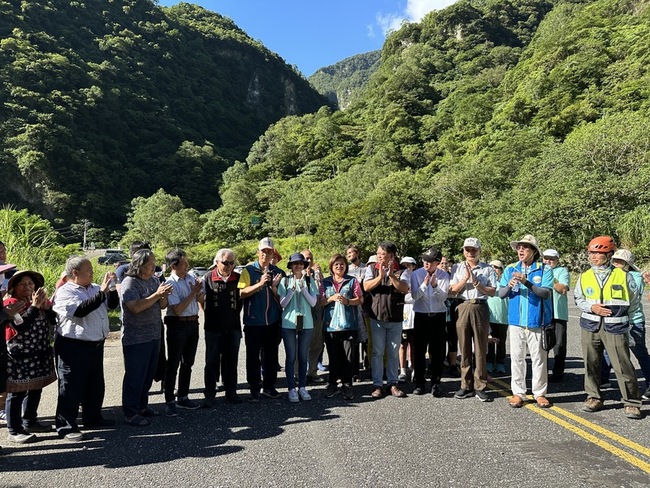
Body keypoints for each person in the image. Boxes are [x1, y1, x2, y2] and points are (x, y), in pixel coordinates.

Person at [574, 236, 642, 419]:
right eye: (591, 253)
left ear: (609, 254)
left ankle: (632, 402)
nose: (593, 257)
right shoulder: (585, 276)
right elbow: (578, 299)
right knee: (591, 363)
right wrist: (592, 307)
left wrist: (633, 325)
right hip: (590, 326)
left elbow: (634, 302)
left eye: (598, 253)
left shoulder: (624, 276)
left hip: (616, 327)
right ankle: (594, 397)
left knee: (623, 365)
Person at [52, 257, 119, 441]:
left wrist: (111, 289)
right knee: (70, 386)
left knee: (95, 384)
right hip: (73, 345)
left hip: (95, 343)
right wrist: (102, 293)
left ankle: (93, 418)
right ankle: (65, 425)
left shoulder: (96, 288)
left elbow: (111, 305)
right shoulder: (65, 291)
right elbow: (80, 311)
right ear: (75, 273)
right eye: (88, 270)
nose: (92, 272)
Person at [2, 270, 57, 443]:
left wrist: (46, 308)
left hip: (38, 352)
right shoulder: (12, 303)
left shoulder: (39, 301)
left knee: (36, 388)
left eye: (31, 284)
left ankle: (30, 421)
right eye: (23, 284)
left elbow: (53, 320)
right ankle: (14, 429)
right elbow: (22, 325)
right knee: (17, 392)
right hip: (19, 356)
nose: (28, 287)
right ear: (14, 288)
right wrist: (34, 306)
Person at [499, 235, 553, 408]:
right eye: (519, 247)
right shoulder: (510, 269)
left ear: (534, 251)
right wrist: (509, 285)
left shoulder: (544, 269)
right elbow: (501, 294)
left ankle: (539, 393)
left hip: (537, 321)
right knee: (517, 358)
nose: (520, 250)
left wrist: (526, 282)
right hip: (515, 321)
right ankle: (518, 392)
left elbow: (545, 293)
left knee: (539, 359)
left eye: (525, 247)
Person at [120, 249, 173, 426]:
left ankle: (142, 406)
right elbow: (135, 307)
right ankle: (130, 412)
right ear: (140, 265)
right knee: (135, 376)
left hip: (154, 334)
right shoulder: (130, 283)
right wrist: (157, 295)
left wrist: (163, 296)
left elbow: (163, 305)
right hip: (136, 337)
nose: (154, 266)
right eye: (151, 263)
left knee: (148, 374)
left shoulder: (154, 280)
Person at [238, 237, 285, 402]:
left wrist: (274, 288)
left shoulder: (279, 272)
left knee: (271, 356)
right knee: (253, 357)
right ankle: (254, 389)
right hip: (253, 321)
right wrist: (259, 284)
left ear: (273, 253)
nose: (266, 254)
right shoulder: (248, 271)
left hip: (273, 321)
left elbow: (284, 298)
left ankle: (269, 387)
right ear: (258, 252)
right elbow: (241, 293)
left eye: (269, 251)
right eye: (263, 251)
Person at [449, 238, 496, 402]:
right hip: (463, 306)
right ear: (463, 251)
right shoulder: (457, 267)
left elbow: (492, 291)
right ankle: (466, 385)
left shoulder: (487, 268)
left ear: (479, 251)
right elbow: (453, 290)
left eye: (474, 250)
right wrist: (465, 279)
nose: (470, 253)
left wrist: (476, 282)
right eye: (467, 250)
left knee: (481, 348)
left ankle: (481, 385)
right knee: (464, 348)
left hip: (480, 306)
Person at [601, 249, 650, 400]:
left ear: (628, 264)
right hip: (615, 320)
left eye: (620, 262)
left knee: (639, 351)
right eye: (614, 260)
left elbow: (629, 299)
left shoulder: (635, 277)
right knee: (609, 350)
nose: (616, 264)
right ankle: (602, 379)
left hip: (632, 320)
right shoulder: (610, 274)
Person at [363, 241, 409, 399]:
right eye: (378, 254)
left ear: (391, 256)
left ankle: (392, 383)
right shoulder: (371, 268)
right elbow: (366, 286)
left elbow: (404, 288)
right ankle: (377, 384)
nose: (379, 257)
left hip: (395, 318)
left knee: (393, 352)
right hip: (377, 317)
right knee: (377, 352)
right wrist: (381, 276)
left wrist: (390, 275)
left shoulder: (402, 271)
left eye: (382, 254)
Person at [162, 249, 204, 416]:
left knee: (188, 362)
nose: (187, 265)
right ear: (174, 265)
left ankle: (183, 396)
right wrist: (193, 293)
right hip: (177, 325)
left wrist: (199, 292)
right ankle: (169, 400)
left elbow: (201, 300)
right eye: (184, 263)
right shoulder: (170, 283)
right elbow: (177, 310)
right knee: (173, 363)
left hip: (193, 323)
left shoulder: (191, 278)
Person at [202, 248, 243, 406]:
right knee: (211, 361)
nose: (229, 266)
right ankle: (210, 393)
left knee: (231, 361)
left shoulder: (238, 278)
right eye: (225, 263)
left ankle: (231, 392)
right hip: (213, 327)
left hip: (233, 326)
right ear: (217, 262)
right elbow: (201, 300)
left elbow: (241, 301)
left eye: (232, 263)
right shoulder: (207, 278)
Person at [278, 253, 319, 402]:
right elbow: (282, 303)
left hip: (306, 322)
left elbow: (314, 303)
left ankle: (302, 387)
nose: (298, 266)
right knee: (291, 357)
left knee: (303, 356)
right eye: (295, 263)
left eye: (301, 263)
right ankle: (291, 388)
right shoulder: (285, 280)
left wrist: (304, 290)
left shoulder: (309, 280)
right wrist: (292, 290)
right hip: (288, 322)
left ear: (304, 266)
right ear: (290, 265)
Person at [321, 254, 364, 400]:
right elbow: (320, 302)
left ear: (345, 266)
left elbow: (360, 299)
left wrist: (347, 301)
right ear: (331, 267)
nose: (339, 267)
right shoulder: (325, 282)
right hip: (330, 325)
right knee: (333, 356)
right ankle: (332, 383)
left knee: (348, 356)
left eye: (342, 264)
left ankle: (347, 384)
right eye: (336, 265)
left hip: (348, 325)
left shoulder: (352, 281)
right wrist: (330, 299)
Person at [409, 247, 449, 396]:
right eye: (424, 260)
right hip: (421, 315)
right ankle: (419, 382)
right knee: (419, 351)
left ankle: (436, 383)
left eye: (430, 261)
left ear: (437, 262)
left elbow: (443, 298)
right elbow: (415, 296)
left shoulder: (444, 275)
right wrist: (425, 285)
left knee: (437, 351)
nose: (426, 263)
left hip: (438, 315)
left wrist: (435, 286)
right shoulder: (416, 274)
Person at [542, 249, 571, 383]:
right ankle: (542, 372)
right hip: (543, 312)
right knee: (544, 344)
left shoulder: (562, 271)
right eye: (545, 258)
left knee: (559, 345)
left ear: (557, 260)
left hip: (558, 313)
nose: (548, 261)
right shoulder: (538, 270)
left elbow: (563, 288)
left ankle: (558, 373)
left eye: (551, 259)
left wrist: (549, 281)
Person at [486, 260, 508, 375]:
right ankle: (489, 362)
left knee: (501, 342)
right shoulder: (487, 281)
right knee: (489, 341)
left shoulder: (505, 282)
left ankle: (500, 363)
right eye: (492, 267)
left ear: (501, 270)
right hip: (489, 317)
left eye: (497, 267)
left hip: (503, 317)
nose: (494, 269)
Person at [399, 256, 417, 383]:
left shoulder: (418, 276)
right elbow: (403, 294)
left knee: (415, 344)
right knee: (402, 344)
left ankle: (415, 369)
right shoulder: (400, 277)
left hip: (416, 311)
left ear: (414, 266)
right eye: (404, 265)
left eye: (409, 265)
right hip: (404, 312)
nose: (406, 267)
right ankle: (403, 370)